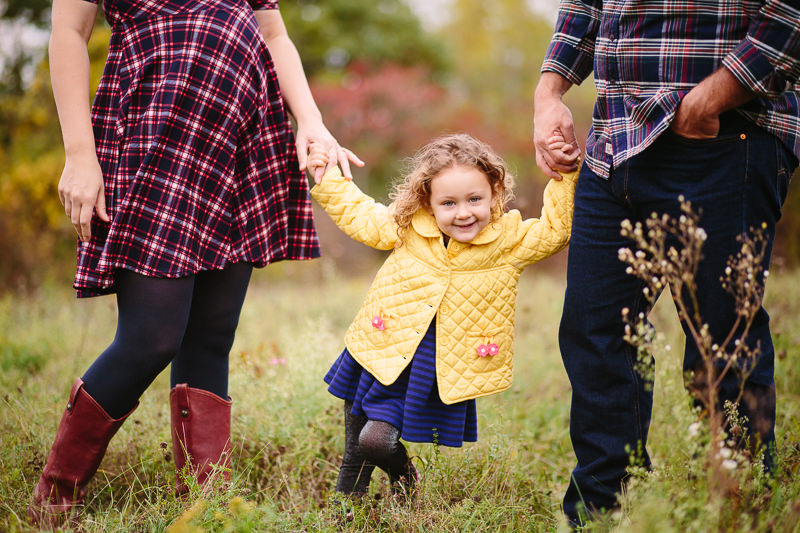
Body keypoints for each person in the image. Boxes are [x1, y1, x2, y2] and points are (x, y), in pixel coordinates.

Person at [29, 0, 359, 526]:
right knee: (151, 338)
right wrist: (78, 153)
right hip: (155, 134)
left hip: (240, 140)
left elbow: (272, 34)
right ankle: (54, 496)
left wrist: (312, 121)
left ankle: (205, 508)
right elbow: (68, 30)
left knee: (210, 336)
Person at [532, 0, 800, 525]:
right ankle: (604, 509)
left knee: (719, 336)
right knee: (595, 330)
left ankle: (739, 504)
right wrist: (549, 93)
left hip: (725, 131)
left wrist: (712, 97)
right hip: (614, 141)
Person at [306, 133, 578, 496]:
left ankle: (404, 476)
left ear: (495, 194)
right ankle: (345, 515)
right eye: (448, 203)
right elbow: (361, 216)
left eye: (474, 199)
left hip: (431, 364)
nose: (463, 212)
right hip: (381, 347)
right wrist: (327, 177)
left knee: (375, 440)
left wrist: (565, 175)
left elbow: (555, 231)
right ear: (428, 202)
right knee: (355, 449)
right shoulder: (410, 226)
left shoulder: (507, 242)